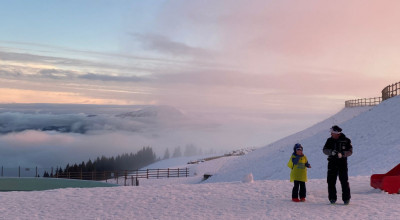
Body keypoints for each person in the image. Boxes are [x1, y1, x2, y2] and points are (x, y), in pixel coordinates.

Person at [323, 125, 353, 205]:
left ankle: (346, 199)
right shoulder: (329, 140)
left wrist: (343, 154)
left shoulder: (346, 140)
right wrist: (332, 152)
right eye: (331, 133)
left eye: (332, 133)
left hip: (342, 163)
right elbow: (325, 150)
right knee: (331, 181)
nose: (331, 134)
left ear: (337, 133)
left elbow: (350, 151)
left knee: (344, 181)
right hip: (332, 163)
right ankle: (332, 198)